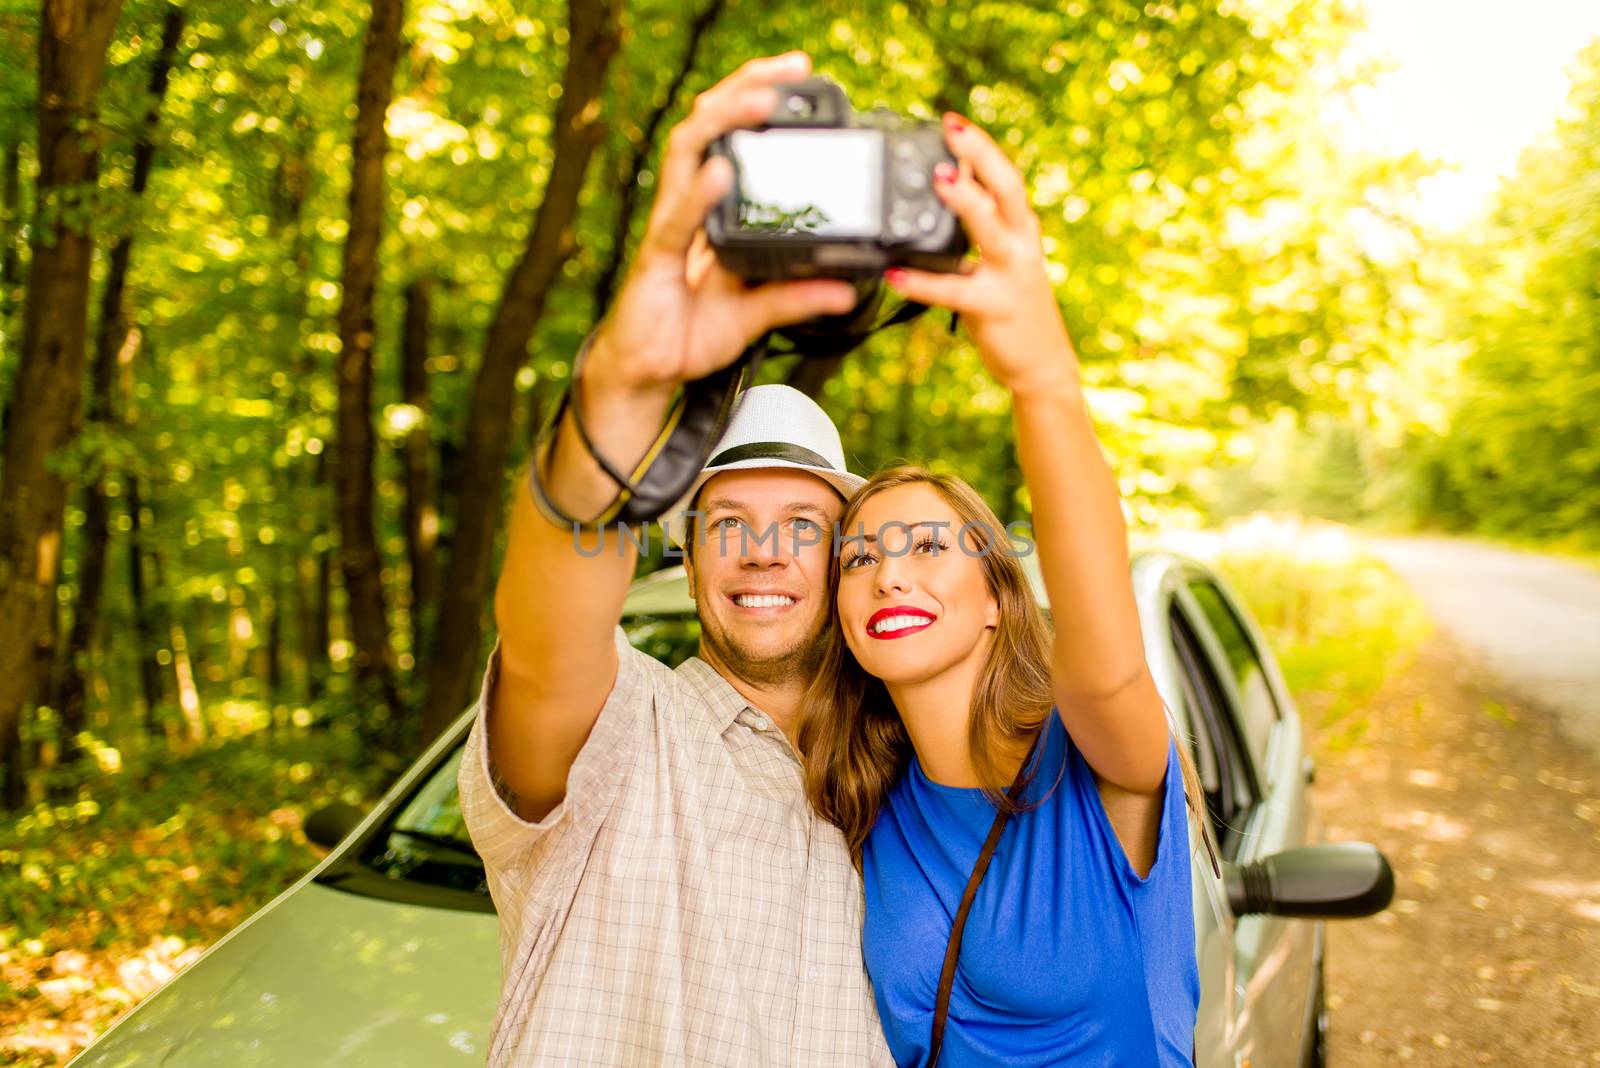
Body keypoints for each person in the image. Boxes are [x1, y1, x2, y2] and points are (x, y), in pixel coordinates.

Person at [455, 52, 896, 1065]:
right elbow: (546, 626)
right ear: (686, 554)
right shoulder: (621, 729)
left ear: (844, 561)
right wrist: (627, 382)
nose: (761, 552)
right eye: (725, 520)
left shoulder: (904, 786)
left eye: (803, 524)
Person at [798, 114, 1208, 1065]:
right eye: (858, 557)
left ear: (997, 593)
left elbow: (1104, 662)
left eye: (926, 545)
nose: (887, 570)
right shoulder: (864, 797)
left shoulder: (1097, 763)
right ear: (847, 625)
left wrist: (1041, 381)